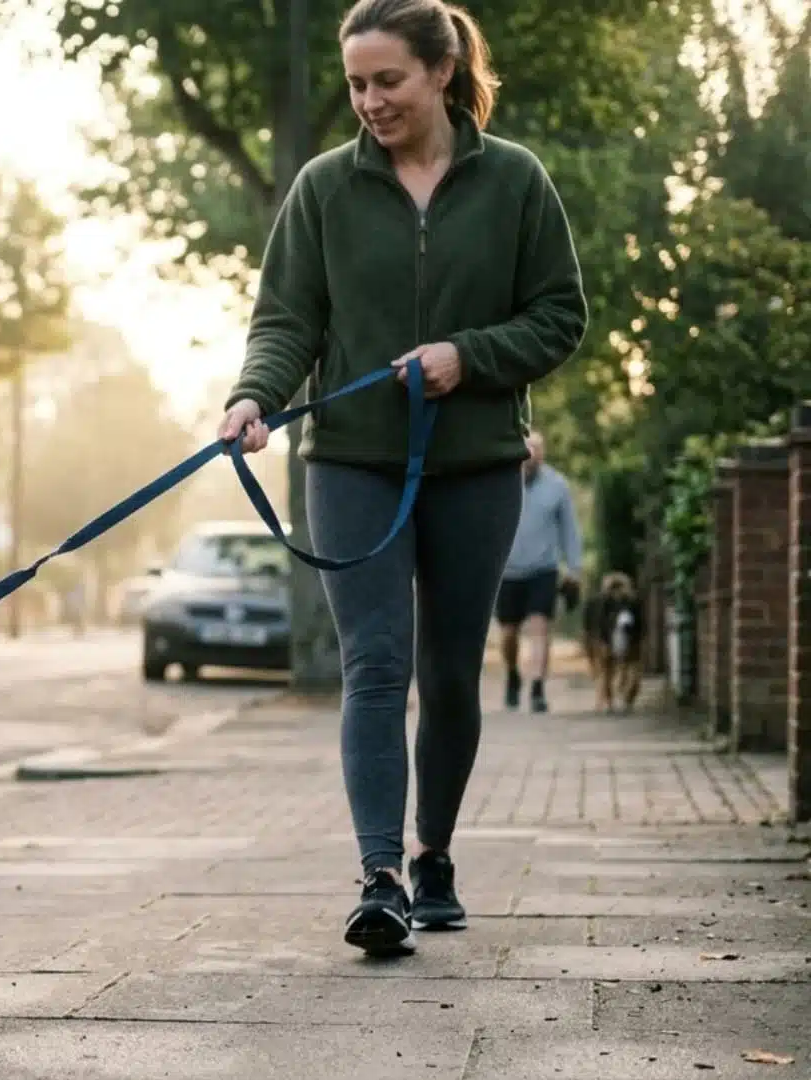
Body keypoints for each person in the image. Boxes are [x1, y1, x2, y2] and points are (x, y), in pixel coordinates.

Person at [215, 0, 587, 957]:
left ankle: (434, 855)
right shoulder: (323, 189)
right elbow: (286, 318)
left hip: (474, 465)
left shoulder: (514, 182)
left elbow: (559, 316)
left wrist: (470, 355)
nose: (370, 101)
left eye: (389, 81)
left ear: (441, 73)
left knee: (452, 672)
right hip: (347, 459)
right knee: (376, 666)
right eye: (356, 84)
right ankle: (379, 876)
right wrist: (255, 396)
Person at [494, 431, 584, 714]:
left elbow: (569, 529)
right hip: (506, 570)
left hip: (543, 570)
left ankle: (537, 689)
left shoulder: (557, 486)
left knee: (540, 628)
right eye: (527, 449)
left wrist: (574, 567)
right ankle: (512, 675)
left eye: (536, 449)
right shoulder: (501, 482)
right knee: (508, 635)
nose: (531, 455)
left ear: (543, 453)